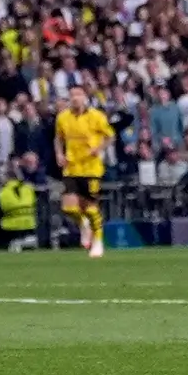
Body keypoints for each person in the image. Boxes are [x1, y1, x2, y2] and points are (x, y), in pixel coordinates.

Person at [54, 85, 115, 258]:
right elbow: (58, 138)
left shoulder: (96, 116)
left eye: (78, 95)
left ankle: (98, 241)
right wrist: (59, 154)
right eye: (72, 95)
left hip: (91, 168)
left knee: (90, 207)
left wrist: (98, 148)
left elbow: (110, 136)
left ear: (85, 97)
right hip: (71, 167)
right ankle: (84, 225)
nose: (75, 98)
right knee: (68, 207)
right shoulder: (63, 117)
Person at [0, 151, 40, 252]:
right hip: (30, 227)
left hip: (10, 229)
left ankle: (4, 244)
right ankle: (28, 240)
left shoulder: (3, 193)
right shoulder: (29, 188)